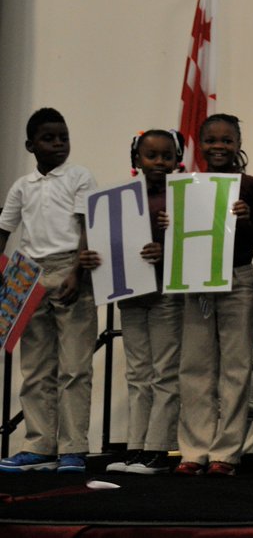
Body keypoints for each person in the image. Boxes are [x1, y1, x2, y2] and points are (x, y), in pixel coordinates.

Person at [0, 109, 98, 474]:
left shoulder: (78, 176)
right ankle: (39, 445)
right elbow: (5, 228)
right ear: (30, 146)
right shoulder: (22, 186)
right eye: (48, 138)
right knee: (35, 367)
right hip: (28, 273)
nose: (58, 144)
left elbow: (87, 225)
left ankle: (73, 448)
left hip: (70, 267)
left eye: (63, 138)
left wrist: (77, 271)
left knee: (74, 367)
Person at [85, 130, 185, 475]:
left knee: (165, 372)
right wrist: (94, 255)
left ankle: (159, 450)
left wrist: (166, 249)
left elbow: (197, 244)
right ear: (136, 159)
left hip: (166, 295)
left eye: (167, 156)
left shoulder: (182, 196)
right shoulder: (119, 199)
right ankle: (136, 448)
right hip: (130, 295)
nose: (159, 162)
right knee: (138, 373)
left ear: (177, 160)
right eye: (151, 155)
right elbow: (109, 242)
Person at [174, 114, 253, 476]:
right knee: (195, 366)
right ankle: (194, 450)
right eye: (211, 140)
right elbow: (179, 239)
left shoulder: (252, 186)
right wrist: (170, 225)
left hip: (239, 278)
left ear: (238, 144)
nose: (219, 146)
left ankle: (226, 452)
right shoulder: (186, 186)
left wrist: (248, 217)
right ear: (200, 144)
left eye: (227, 140)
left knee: (235, 368)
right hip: (197, 280)